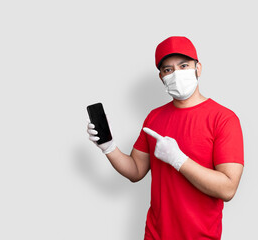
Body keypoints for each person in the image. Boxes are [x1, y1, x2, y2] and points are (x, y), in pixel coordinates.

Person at [87, 36, 244, 240]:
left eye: (184, 65)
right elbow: (136, 171)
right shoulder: (154, 117)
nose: (176, 74)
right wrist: (108, 148)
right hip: (155, 234)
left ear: (198, 68)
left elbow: (228, 188)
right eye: (168, 70)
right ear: (161, 77)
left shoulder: (223, 119)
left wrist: (179, 160)